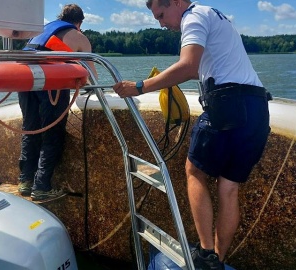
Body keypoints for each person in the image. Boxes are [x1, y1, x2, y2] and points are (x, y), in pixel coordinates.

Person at [113, 0, 270, 269]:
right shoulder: (215, 15)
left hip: (227, 105)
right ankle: (217, 260)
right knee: (228, 187)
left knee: (194, 171)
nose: (161, 23)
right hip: (257, 109)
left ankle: (206, 252)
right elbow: (200, 67)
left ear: (176, 3)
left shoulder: (193, 16)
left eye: (161, 15)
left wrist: (139, 87)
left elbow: (188, 66)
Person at [18, 4, 97, 201]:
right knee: (53, 133)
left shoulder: (40, 31)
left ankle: (25, 181)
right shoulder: (79, 37)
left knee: (30, 129)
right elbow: (92, 77)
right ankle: (42, 186)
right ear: (79, 23)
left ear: (60, 17)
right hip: (50, 84)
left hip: (24, 80)